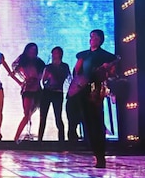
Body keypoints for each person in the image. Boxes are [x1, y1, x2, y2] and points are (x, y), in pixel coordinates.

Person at [70, 29, 119, 168]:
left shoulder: (106, 56)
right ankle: (92, 151)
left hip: (96, 91)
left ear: (100, 39)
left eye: (95, 37)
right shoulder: (83, 55)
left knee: (96, 123)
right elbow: (77, 71)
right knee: (85, 122)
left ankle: (100, 155)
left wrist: (106, 70)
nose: (92, 39)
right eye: (91, 37)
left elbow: (112, 73)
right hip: (81, 90)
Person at [11, 43, 45, 143]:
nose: (32, 52)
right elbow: (13, 72)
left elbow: (42, 76)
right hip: (27, 89)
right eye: (30, 50)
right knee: (26, 114)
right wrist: (21, 82)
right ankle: (16, 138)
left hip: (37, 89)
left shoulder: (39, 62)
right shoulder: (22, 61)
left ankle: (30, 135)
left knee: (30, 114)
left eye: (34, 51)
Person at [38, 46, 71, 142]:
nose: (54, 55)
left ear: (60, 54)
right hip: (47, 93)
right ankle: (40, 140)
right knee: (43, 117)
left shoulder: (64, 66)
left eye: (56, 53)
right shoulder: (48, 67)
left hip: (57, 93)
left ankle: (61, 141)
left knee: (58, 117)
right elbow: (43, 81)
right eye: (53, 53)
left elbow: (67, 78)